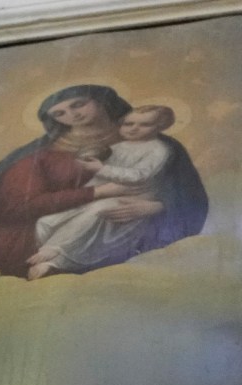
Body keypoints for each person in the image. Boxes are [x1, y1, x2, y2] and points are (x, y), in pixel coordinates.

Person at [0, 85, 209, 281]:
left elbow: (185, 192)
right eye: (60, 113)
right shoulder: (38, 155)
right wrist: (97, 191)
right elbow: (15, 206)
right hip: (27, 239)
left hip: (128, 236)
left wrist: (156, 207)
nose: (72, 114)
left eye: (78, 104)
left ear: (101, 101)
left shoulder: (157, 145)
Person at [29, 104, 181, 279]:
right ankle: (39, 253)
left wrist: (101, 168)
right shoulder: (117, 148)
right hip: (101, 195)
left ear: (160, 127)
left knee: (95, 214)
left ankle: (54, 253)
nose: (133, 129)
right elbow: (97, 177)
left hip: (128, 199)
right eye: (128, 124)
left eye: (144, 125)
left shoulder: (158, 149)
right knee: (48, 220)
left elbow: (140, 175)